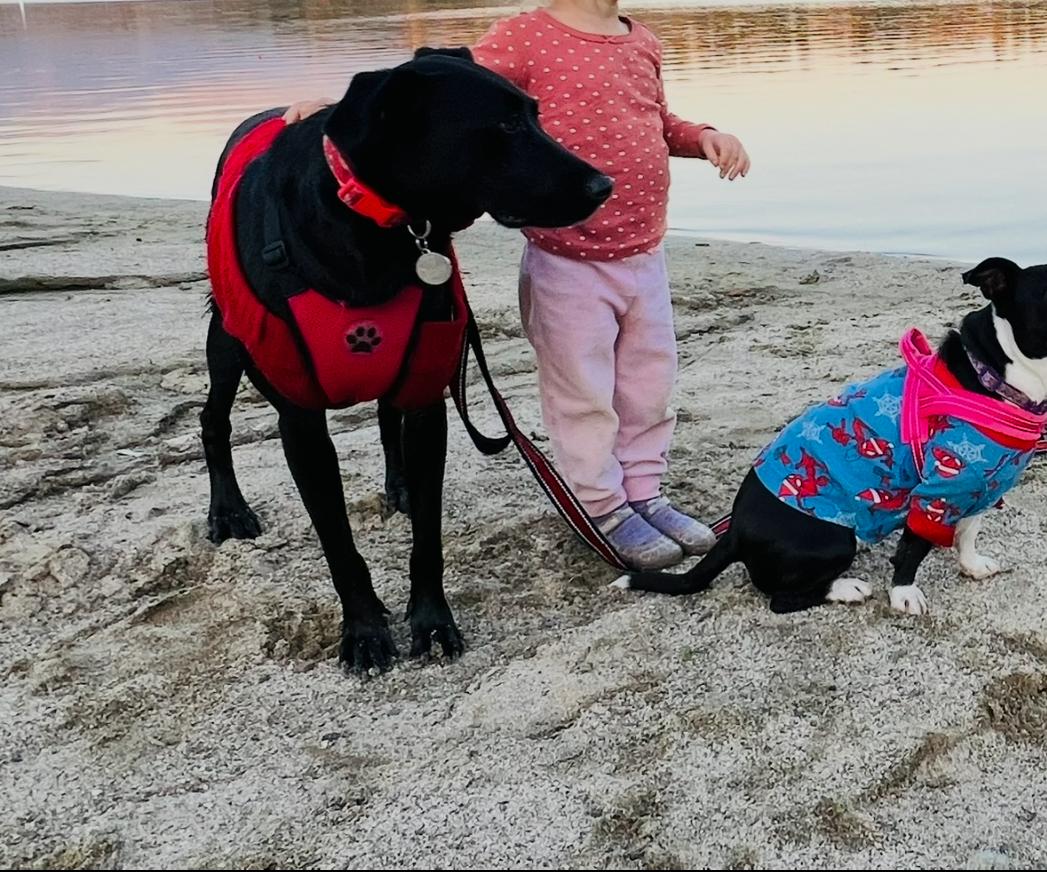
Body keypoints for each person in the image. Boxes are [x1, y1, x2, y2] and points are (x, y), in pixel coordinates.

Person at [282, 0, 750, 569]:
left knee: (648, 386)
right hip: (568, 261)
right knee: (583, 393)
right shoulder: (527, 37)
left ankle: (645, 493)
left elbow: (658, 120)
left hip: (644, 255)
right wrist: (342, 108)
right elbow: (430, 89)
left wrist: (704, 137)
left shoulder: (641, 40)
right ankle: (604, 506)